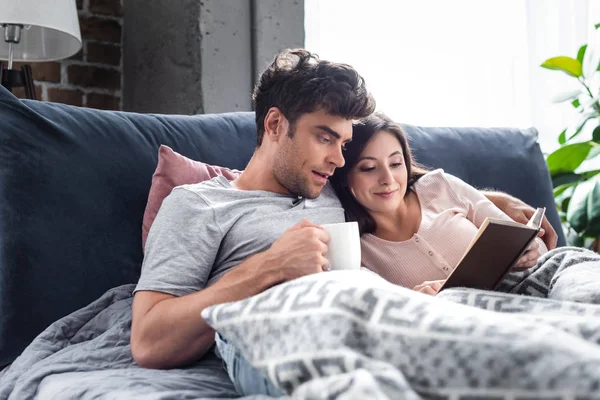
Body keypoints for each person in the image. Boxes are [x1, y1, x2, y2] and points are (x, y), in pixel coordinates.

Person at [130, 49, 557, 397]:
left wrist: (505, 206)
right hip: (278, 340)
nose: (338, 158)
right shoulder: (198, 204)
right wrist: (270, 267)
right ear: (276, 124)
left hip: (383, 323)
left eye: (344, 143)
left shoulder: (333, 185)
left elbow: (414, 182)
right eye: (324, 138)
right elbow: (148, 340)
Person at [328, 112, 560, 295]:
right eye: (368, 168)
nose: (388, 180)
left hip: (531, 294)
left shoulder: (440, 186)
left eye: (396, 164)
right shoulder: (356, 250)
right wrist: (417, 299)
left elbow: (538, 250)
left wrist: (529, 251)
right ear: (344, 175)